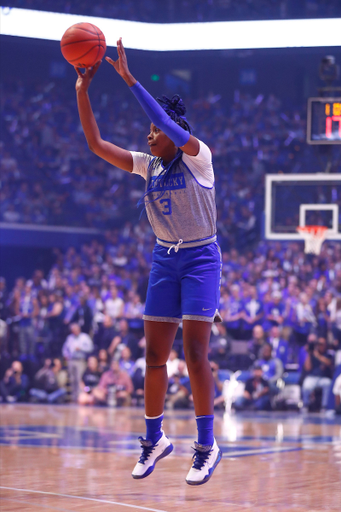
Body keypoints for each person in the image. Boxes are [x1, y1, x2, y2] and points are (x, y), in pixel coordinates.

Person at [75, 38, 222, 485]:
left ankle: (206, 446)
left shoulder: (199, 158)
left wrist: (128, 78)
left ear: (172, 132)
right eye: (148, 132)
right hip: (164, 259)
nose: (148, 135)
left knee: (195, 354)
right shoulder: (148, 165)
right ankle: (154, 439)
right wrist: (82, 91)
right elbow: (97, 144)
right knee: (154, 356)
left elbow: (161, 118)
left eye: (154, 132)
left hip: (200, 258)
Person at [62, 323, 94, 402]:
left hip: (80, 360)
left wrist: (80, 348)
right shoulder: (69, 338)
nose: (74, 331)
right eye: (73, 330)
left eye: (76, 330)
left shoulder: (85, 337)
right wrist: (66, 355)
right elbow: (65, 348)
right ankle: (74, 397)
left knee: (79, 379)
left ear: (79, 329)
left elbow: (90, 347)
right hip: (71, 360)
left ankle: (80, 397)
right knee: (72, 379)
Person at [301, 337, 333, 412]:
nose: (320, 346)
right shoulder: (312, 354)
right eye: (318, 344)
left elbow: (329, 363)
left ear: (325, 345)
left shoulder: (328, 354)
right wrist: (308, 354)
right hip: (312, 377)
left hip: (324, 378)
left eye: (321, 344)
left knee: (328, 384)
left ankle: (324, 406)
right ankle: (306, 404)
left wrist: (318, 355)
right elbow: (307, 368)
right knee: (306, 384)